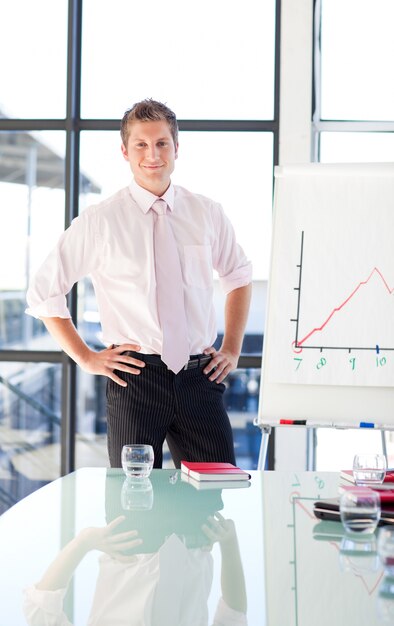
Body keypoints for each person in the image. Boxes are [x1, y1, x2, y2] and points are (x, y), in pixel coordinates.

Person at [26, 98, 252, 469]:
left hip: (199, 378)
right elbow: (44, 292)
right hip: (136, 380)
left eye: (162, 143)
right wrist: (85, 357)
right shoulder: (101, 220)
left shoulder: (206, 212)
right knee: (132, 510)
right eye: (141, 145)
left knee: (214, 497)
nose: (153, 154)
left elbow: (239, 276)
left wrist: (231, 348)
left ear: (176, 148)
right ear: (125, 152)